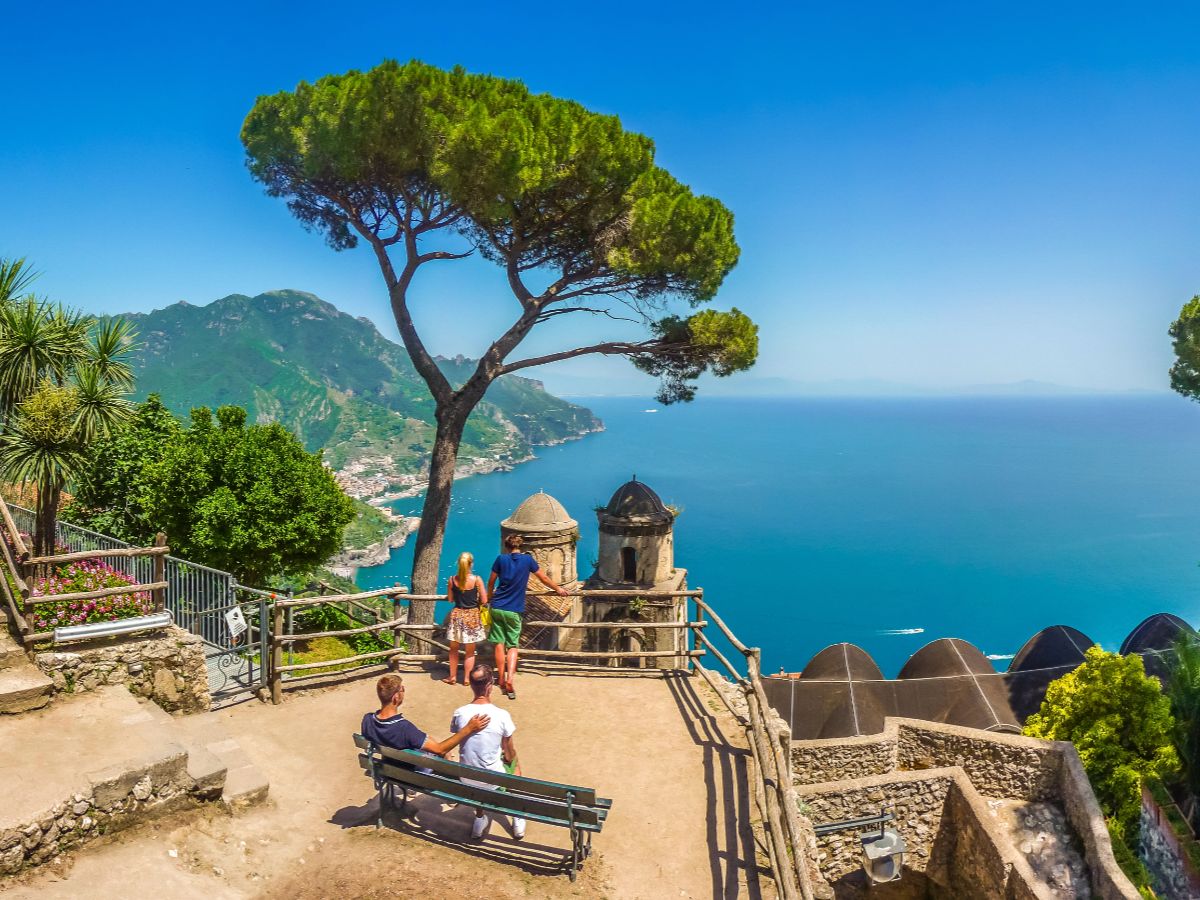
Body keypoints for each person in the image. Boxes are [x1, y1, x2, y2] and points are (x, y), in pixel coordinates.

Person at [487, 533, 568, 699]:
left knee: (498, 644)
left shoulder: (500, 559)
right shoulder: (527, 560)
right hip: (514, 609)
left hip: (497, 606)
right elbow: (543, 577)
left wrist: (488, 597)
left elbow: (491, 581)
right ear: (520, 546)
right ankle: (510, 678)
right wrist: (558, 589)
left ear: (507, 546)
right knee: (513, 646)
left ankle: (500, 678)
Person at [451, 664, 524, 840]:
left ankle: (479, 818)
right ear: (490, 685)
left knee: (473, 760)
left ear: (472, 685)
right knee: (515, 763)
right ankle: (517, 816)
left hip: (467, 779)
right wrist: (510, 759)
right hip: (492, 780)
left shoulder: (460, 713)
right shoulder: (501, 715)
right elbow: (509, 753)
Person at [361, 673, 489, 756]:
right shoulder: (404, 728)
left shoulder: (368, 720)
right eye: (402, 689)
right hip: (409, 771)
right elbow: (440, 749)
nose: (404, 692)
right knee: (445, 754)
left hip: (388, 767)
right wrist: (468, 728)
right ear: (396, 697)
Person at [443, 551, 489, 685]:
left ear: (458, 563)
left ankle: (452, 677)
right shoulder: (477, 580)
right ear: (471, 564)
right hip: (472, 616)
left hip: (457, 615)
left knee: (453, 649)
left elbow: (451, 599)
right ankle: (467, 679)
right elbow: (485, 600)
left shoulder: (452, 580)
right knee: (470, 652)